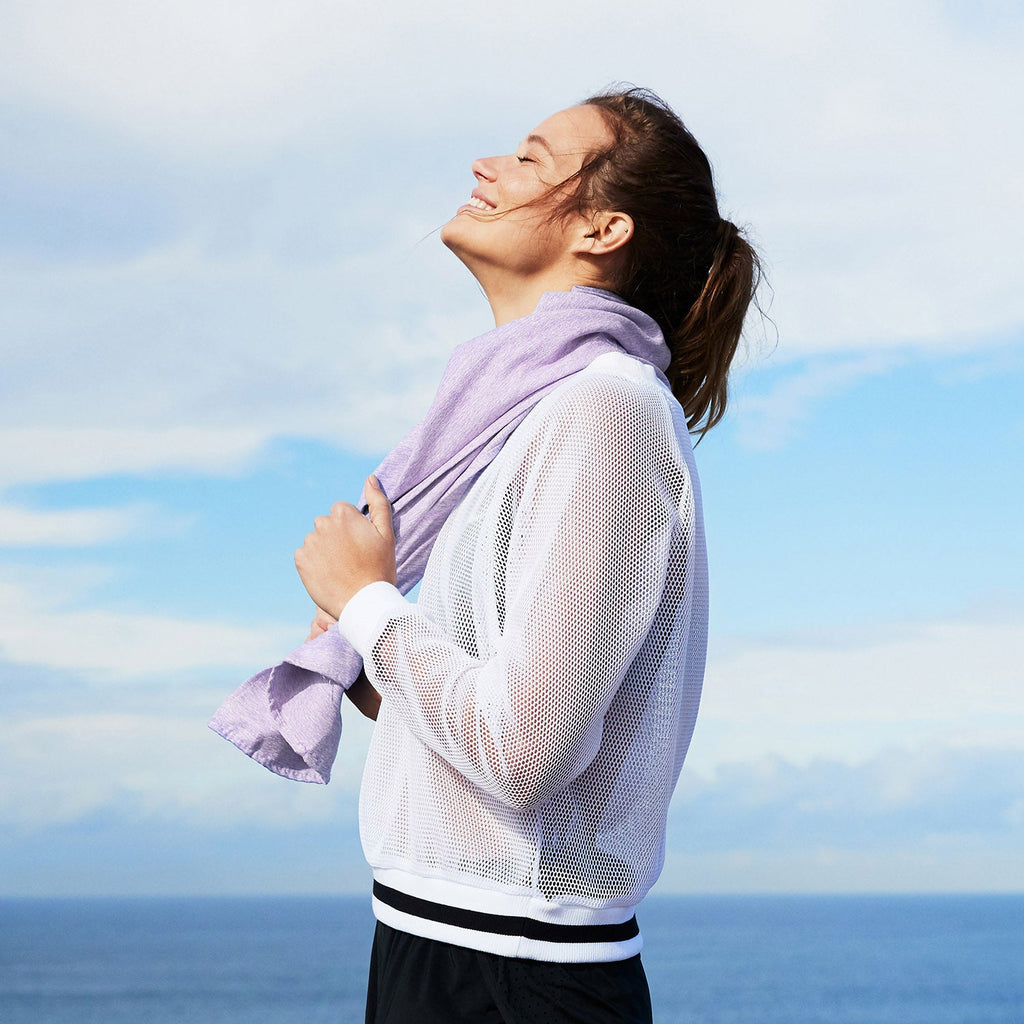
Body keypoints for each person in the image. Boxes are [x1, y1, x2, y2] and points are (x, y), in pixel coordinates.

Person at [292, 88, 760, 1023]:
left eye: (532, 158)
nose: (487, 166)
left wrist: (371, 605)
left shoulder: (608, 413)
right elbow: (502, 738)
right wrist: (369, 661)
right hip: (446, 945)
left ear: (601, 227)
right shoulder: (525, 416)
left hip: (513, 970)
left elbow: (530, 752)